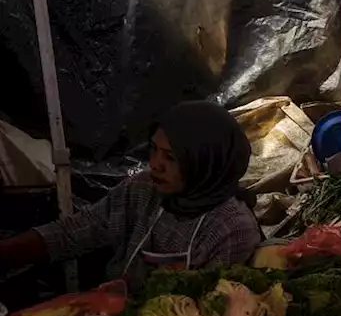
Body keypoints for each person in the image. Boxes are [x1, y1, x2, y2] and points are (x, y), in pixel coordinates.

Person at [0, 100, 261, 288]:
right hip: (110, 311)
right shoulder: (142, 189)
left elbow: (208, 311)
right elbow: (75, 232)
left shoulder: (232, 229)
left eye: (170, 157)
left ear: (207, 163)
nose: (154, 164)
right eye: (153, 150)